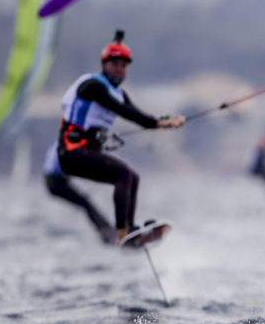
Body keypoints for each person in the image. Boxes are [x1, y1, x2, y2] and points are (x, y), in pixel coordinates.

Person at [56, 30, 185, 244]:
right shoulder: (93, 86)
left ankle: (130, 232)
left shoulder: (120, 93)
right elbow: (123, 111)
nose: (119, 69)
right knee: (123, 173)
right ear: (104, 64)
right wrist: (161, 123)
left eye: (124, 66)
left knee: (132, 177)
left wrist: (165, 121)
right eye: (115, 64)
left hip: (87, 153)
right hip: (72, 152)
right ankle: (122, 233)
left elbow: (140, 118)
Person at [42, 141, 115, 244]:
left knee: (85, 202)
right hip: (55, 181)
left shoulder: (62, 142)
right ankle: (106, 231)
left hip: (55, 180)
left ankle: (106, 229)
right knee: (85, 203)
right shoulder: (67, 145)